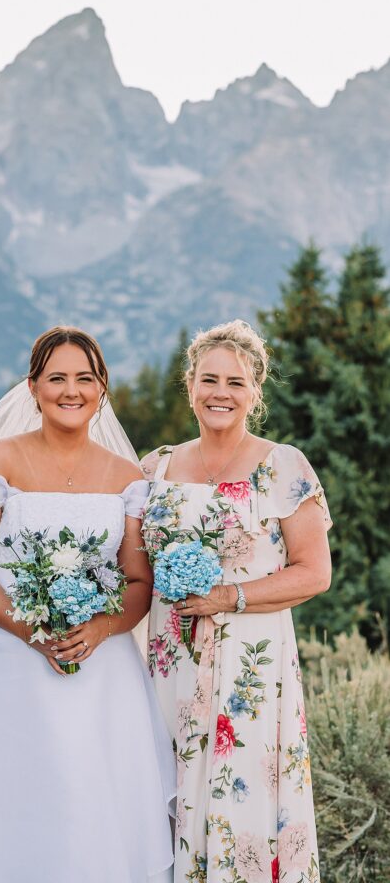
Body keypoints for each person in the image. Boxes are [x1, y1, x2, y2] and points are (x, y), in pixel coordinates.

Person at [0, 326, 176, 883]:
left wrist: (101, 627)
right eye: (57, 377)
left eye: (84, 379)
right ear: (34, 387)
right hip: (11, 662)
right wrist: (28, 629)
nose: (71, 390)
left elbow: (138, 581)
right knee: (13, 796)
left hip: (102, 668)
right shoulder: (0, 459)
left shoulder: (126, 477)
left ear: (102, 390)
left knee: (94, 799)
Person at [141, 320, 331, 883]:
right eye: (208, 379)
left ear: (255, 392)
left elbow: (314, 573)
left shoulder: (284, 466)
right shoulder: (157, 467)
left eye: (235, 382)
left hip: (250, 668)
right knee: (161, 791)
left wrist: (229, 596)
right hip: (168, 663)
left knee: (239, 799)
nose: (220, 392)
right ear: (190, 385)